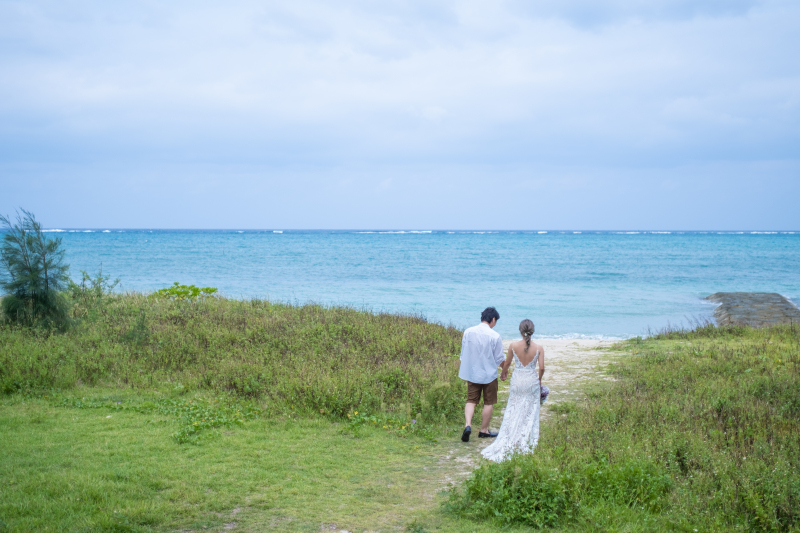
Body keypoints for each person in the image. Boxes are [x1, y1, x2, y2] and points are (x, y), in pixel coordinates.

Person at [481, 319, 545, 462]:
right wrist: (539, 379)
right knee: (530, 409)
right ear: (532, 331)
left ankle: (511, 435)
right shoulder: (539, 348)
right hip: (531, 380)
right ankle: (525, 436)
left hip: (517, 380)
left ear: (520, 331)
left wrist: (504, 372)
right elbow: (541, 368)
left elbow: (508, 363)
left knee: (514, 407)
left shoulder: (513, 346)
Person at [459, 307, 504, 442]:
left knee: (471, 400)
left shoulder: (468, 332)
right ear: (493, 319)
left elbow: (464, 353)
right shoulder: (495, 336)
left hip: (473, 372)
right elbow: (499, 358)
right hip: (489, 374)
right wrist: (505, 369)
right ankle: (484, 430)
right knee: (488, 402)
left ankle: (468, 425)